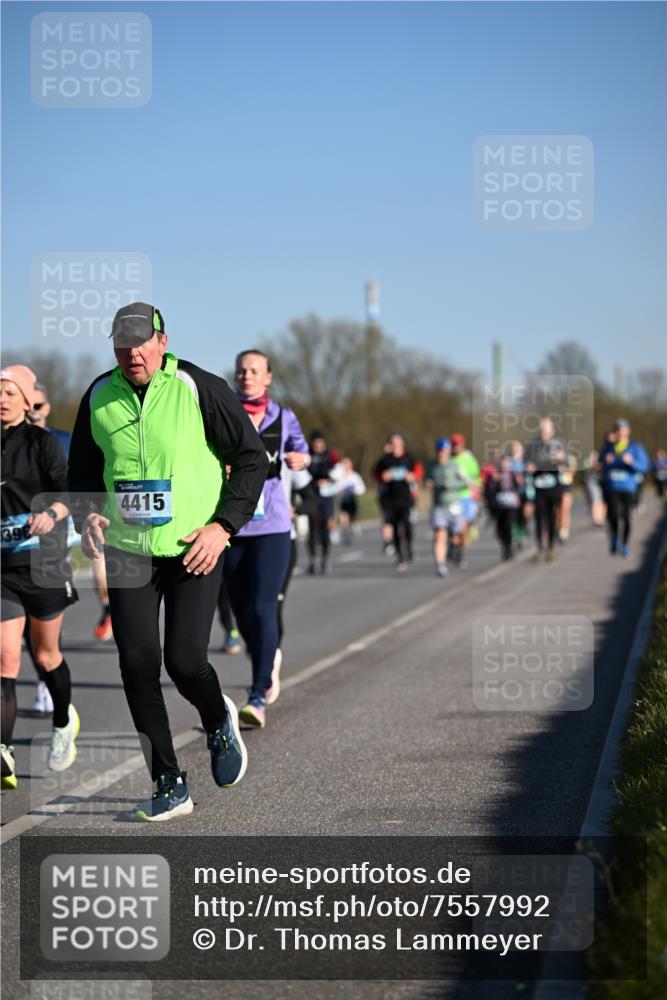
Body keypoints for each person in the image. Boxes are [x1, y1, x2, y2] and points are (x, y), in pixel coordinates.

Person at [68, 303, 268, 820]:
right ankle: (167, 781)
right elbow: (83, 470)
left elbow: (252, 458)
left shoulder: (198, 387)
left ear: (162, 340)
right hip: (128, 549)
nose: (132, 353)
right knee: (136, 664)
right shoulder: (98, 395)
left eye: (141, 342)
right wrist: (88, 515)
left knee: (184, 661)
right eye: (122, 344)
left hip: (192, 546)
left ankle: (217, 718)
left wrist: (223, 527)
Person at [1, 365, 80, 790]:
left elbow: (68, 493)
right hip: (4, 570)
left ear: (27, 399)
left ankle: (63, 721)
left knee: (46, 656)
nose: (2, 399)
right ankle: (3, 750)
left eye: (10, 392)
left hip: (44, 564)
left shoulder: (42, 442)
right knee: (5, 659)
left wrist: (50, 513)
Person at [223, 348, 309, 728]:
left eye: (254, 371)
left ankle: (258, 694)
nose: (247, 376)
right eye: (242, 371)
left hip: (273, 526)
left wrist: (300, 460)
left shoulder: (283, 417)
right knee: (242, 612)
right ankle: (266, 655)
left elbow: (303, 455)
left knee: (263, 607)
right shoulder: (223, 412)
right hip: (231, 524)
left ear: (268, 377)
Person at [28, 381, 114, 645]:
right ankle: (51, 624)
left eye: (38, 405)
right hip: (38, 522)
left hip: (74, 513)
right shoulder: (11, 443)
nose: (33, 411)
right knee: (50, 576)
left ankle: (108, 607)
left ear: (47, 408)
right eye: (29, 405)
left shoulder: (65, 440)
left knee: (99, 564)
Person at [598, 419, 649, 557]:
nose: (619, 433)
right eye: (617, 430)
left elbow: (645, 466)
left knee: (626, 518)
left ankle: (624, 544)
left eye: (622, 430)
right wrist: (605, 462)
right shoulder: (608, 447)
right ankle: (615, 537)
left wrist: (632, 462)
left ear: (628, 431)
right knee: (613, 515)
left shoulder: (636, 448)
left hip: (628, 488)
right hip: (612, 487)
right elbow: (599, 465)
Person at [524, 417, 568, 563]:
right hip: (538, 488)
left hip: (554, 488)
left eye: (547, 428)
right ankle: (539, 547)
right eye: (542, 428)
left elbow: (566, 464)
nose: (544, 431)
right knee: (538, 518)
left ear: (552, 430)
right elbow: (526, 464)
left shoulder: (559, 445)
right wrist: (530, 467)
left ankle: (551, 547)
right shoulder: (533, 446)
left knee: (551, 518)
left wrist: (561, 460)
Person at [425, 438, 469, 577]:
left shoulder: (454, 465)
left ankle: (454, 547)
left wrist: (450, 485)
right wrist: (429, 483)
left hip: (454, 505)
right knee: (439, 535)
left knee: (456, 534)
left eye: (444, 451)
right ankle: (441, 565)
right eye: (439, 451)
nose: (441, 454)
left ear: (448, 452)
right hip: (439, 506)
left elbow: (465, 482)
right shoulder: (432, 465)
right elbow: (426, 479)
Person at [373, 434, 417, 571]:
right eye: (392, 442)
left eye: (397, 442)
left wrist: (412, 477)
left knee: (407, 525)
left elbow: (418, 472)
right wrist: (383, 477)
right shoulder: (385, 460)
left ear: (402, 444)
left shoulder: (409, 458)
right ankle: (400, 556)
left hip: (405, 498)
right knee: (395, 527)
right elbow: (376, 474)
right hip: (390, 499)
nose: (395, 445)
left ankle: (409, 548)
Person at [307, 431, 337, 575]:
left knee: (326, 529)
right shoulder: (307, 455)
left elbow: (339, 473)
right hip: (312, 496)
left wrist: (329, 479)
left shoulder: (331, 456)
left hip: (327, 497)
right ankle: (313, 560)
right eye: (315, 445)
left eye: (320, 444)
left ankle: (325, 559)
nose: (318, 447)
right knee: (312, 530)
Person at [450, 433, 481, 567]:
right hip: (452, 497)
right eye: (454, 445)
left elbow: (477, 476)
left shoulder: (468, 459)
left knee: (463, 527)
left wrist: (476, 489)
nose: (456, 447)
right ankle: (454, 546)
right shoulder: (448, 459)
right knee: (453, 528)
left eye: (458, 444)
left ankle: (461, 553)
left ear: (462, 445)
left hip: (466, 497)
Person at [485, 453, 523, 560]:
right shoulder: (495, 475)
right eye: (502, 462)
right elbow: (488, 492)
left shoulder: (514, 474)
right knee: (500, 528)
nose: (505, 465)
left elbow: (520, 488)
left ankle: (509, 546)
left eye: (506, 462)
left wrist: (519, 482)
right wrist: (494, 482)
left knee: (509, 525)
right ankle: (505, 546)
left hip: (511, 505)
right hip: (499, 506)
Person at [335, 457, 366, 544]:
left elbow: (362, 489)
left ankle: (351, 526)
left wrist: (353, 490)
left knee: (352, 517)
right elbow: (335, 487)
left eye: (347, 464)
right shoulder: (338, 476)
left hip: (352, 500)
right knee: (343, 516)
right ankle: (345, 532)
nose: (346, 466)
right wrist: (340, 491)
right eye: (344, 464)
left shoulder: (355, 476)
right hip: (342, 500)